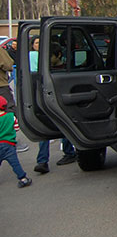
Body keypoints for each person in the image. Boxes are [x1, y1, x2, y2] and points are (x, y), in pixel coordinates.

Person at [31, 38, 77, 172]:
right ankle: (42, 161)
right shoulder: (45, 70)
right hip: (48, 104)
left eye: (50, 56)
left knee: (65, 130)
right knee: (44, 133)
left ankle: (69, 153)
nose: (47, 59)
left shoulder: (67, 70)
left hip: (62, 105)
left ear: (58, 55)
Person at [0, 95, 32, 188]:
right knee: (15, 163)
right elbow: (17, 128)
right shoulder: (11, 116)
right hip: (9, 144)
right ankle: (23, 178)